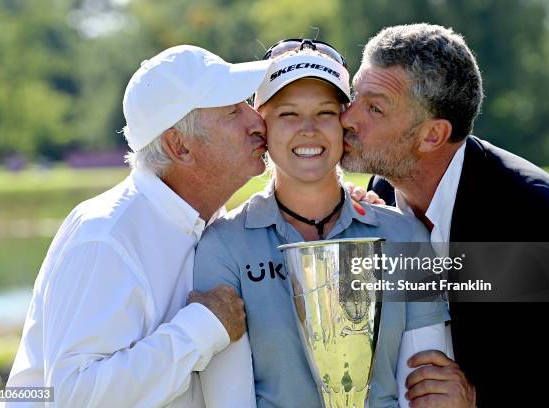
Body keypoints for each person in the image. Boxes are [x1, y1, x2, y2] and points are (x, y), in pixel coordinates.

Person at [6, 45, 275, 407]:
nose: (257, 121)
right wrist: (204, 327)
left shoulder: (202, 217)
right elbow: (73, 395)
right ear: (179, 145)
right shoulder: (105, 236)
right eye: (233, 111)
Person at [341, 23, 549, 407]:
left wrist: (476, 398)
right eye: (354, 95)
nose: (347, 117)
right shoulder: (381, 193)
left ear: (432, 136)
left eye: (374, 107)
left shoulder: (546, 224)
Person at [193, 39, 451, 408]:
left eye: (325, 113)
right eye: (288, 114)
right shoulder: (223, 246)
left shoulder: (404, 235)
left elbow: (423, 385)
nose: (309, 130)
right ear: (261, 125)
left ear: (345, 121)